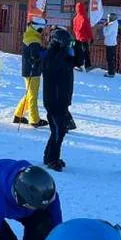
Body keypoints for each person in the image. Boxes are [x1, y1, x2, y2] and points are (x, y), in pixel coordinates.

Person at [42, 27, 75, 171]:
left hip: (63, 99)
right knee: (58, 130)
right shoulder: (51, 57)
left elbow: (77, 61)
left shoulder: (65, 57)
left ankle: (49, 156)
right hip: (53, 101)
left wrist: (77, 46)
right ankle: (52, 158)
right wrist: (62, 52)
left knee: (60, 130)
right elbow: (54, 67)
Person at [13, 17, 49, 127]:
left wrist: (42, 50)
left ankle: (18, 115)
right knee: (33, 96)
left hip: (27, 70)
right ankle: (34, 120)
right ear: (39, 28)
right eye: (43, 29)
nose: (43, 32)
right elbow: (35, 56)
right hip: (33, 71)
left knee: (29, 94)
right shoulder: (34, 40)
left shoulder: (29, 35)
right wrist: (47, 53)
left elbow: (33, 53)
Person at [72, 2, 93, 72]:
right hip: (84, 38)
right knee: (86, 52)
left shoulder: (75, 18)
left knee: (78, 52)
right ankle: (88, 65)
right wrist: (91, 37)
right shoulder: (84, 18)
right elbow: (88, 28)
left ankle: (77, 65)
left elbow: (74, 29)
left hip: (77, 38)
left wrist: (76, 35)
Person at [102, 12, 120, 77]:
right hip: (112, 43)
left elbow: (106, 33)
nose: (108, 19)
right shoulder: (114, 23)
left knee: (110, 58)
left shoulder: (112, 24)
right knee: (111, 58)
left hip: (110, 43)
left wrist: (104, 27)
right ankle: (111, 70)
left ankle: (111, 73)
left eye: (109, 18)